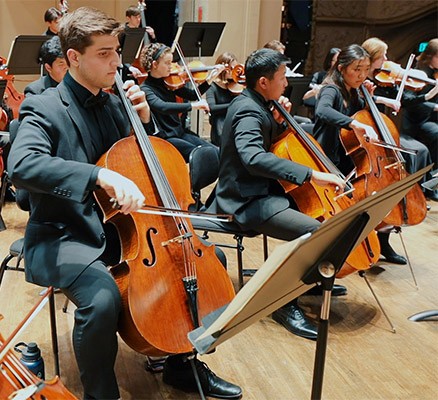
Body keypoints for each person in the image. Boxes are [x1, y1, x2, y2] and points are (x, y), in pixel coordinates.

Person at [7, 7, 241, 400]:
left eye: (117, 50)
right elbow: (23, 166)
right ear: (74, 58)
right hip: (66, 235)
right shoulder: (43, 107)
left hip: (126, 231)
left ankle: (182, 364)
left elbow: (141, 161)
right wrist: (97, 175)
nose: (116, 61)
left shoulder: (117, 103)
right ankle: (102, 393)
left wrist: (144, 121)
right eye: (104, 53)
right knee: (101, 300)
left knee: (207, 266)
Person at [205, 48, 347, 341]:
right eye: (282, 77)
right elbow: (253, 157)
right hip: (245, 200)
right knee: (314, 233)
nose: (287, 83)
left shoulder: (258, 103)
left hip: (263, 192)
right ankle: (283, 304)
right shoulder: (247, 109)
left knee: (324, 227)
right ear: (263, 83)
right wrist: (312, 174)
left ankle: (309, 276)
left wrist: (279, 121)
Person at [313, 44, 412, 265]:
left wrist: (369, 97)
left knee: (380, 196)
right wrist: (352, 123)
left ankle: (380, 241)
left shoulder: (354, 90)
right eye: (357, 69)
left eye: (366, 69)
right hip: (329, 157)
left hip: (350, 157)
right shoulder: (331, 88)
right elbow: (323, 111)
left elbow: (364, 116)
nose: (361, 74)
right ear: (341, 68)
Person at [362, 37, 438, 202]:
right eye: (383, 56)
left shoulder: (384, 81)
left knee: (422, 150)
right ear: (372, 58)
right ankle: (403, 196)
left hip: (383, 127)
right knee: (407, 155)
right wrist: (383, 100)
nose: (387, 60)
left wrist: (428, 95)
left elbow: (405, 100)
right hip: (368, 129)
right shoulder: (361, 81)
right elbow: (361, 101)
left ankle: (421, 192)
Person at [139, 42, 223, 161]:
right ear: (155, 64)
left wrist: (210, 79)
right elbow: (163, 107)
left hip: (180, 133)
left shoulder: (168, 82)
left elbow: (193, 95)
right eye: (167, 63)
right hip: (166, 138)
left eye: (171, 62)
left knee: (216, 151)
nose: (171, 66)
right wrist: (193, 106)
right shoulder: (145, 89)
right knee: (201, 155)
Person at [402, 38, 438, 185]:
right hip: (418, 121)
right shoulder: (418, 74)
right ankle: (431, 180)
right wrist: (434, 107)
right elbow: (411, 104)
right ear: (430, 56)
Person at [205, 51, 239, 146]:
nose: (233, 72)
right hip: (220, 123)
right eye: (231, 68)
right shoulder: (213, 87)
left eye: (235, 68)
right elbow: (212, 108)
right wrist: (233, 105)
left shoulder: (237, 85)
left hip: (234, 120)